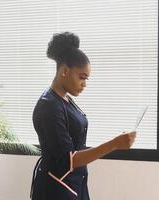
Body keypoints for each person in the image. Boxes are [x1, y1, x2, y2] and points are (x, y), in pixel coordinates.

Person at [30, 32, 136, 200]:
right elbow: (68, 160)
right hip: (55, 190)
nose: (84, 84)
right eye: (82, 77)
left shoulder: (65, 99)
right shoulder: (49, 106)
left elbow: (75, 144)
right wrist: (115, 144)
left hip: (74, 184)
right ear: (64, 71)